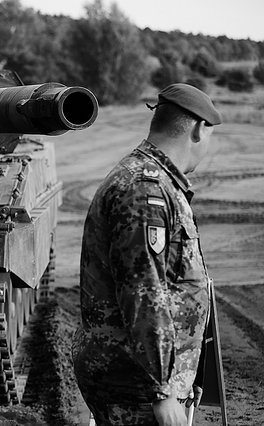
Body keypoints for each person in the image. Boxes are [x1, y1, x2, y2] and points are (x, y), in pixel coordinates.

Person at [72, 83, 222, 426]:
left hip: (143, 378)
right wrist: (162, 390)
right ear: (199, 128)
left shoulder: (154, 181)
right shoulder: (144, 189)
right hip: (137, 384)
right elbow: (142, 292)